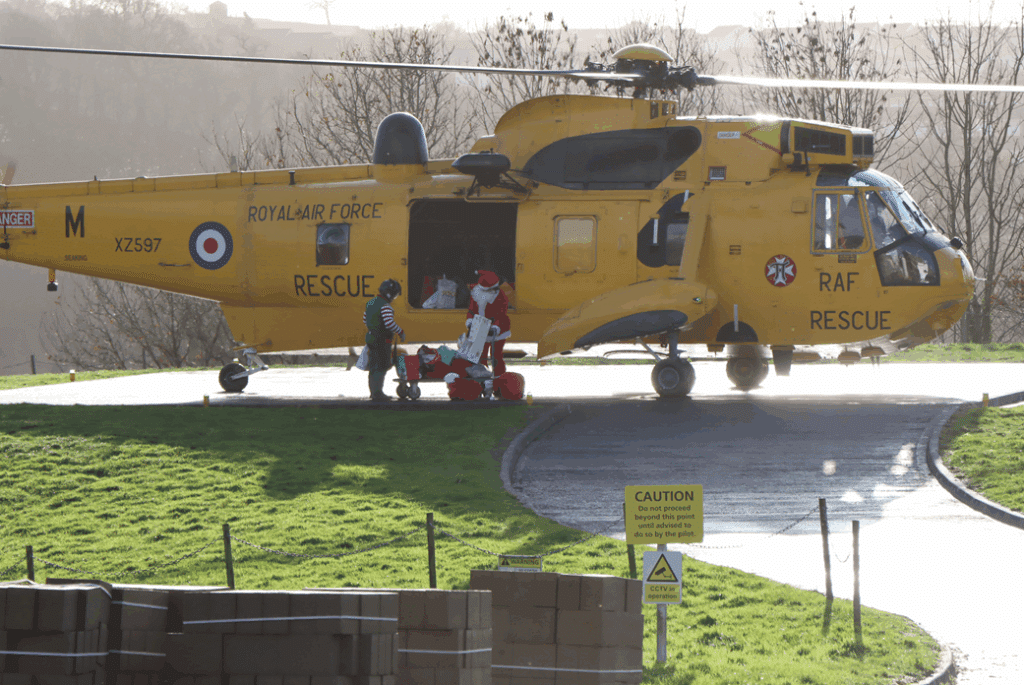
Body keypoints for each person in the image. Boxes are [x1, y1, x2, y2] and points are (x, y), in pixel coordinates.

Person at [363, 279, 405, 401]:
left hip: (371, 338)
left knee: (374, 366)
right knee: (381, 366)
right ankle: (378, 393)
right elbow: (389, 323)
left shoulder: (370, 303)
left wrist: (373, 327)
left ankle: (374, 392)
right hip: (382, 340)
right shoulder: (385, 306)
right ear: (389, 293)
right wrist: (400, 331)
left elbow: (365, 319)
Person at [466, 269, 511, 376]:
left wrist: (496, 327)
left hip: (498, 329)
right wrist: (470, 321)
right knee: (480, 354)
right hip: (480, 327)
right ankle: (482, 375)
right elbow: (471, 310)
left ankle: (499, 375)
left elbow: (501, 314)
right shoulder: (476, 293)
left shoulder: (501, 296)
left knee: (496, 355)